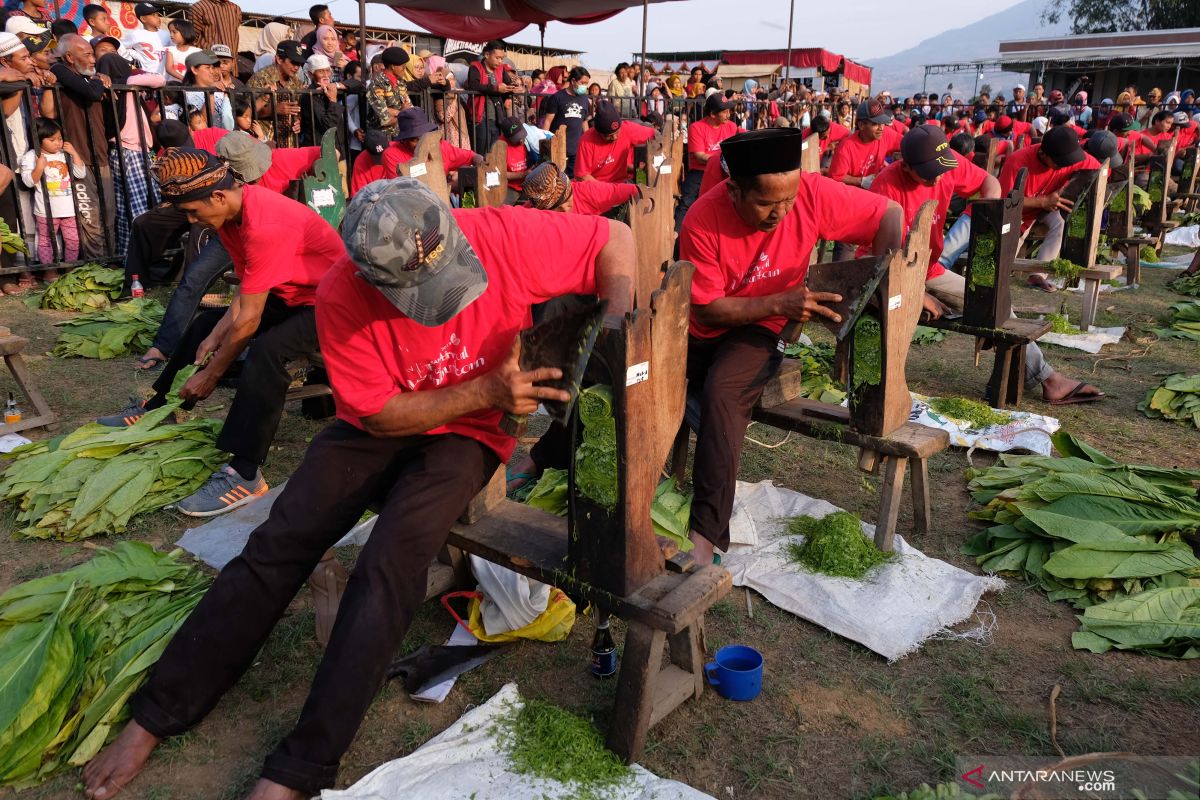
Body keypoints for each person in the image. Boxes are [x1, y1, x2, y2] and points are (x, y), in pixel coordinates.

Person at [82, 176, 636, 800]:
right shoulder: (342, 293)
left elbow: (613, 237)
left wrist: (610, 322)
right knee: (278, 543)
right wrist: (484, 389)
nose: (444, 304)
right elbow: (376, 416)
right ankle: (159, 713)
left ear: (452, 229)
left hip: (469, 434)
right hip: (384, 419)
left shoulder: (498, 232)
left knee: (388, 566)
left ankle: (301, 766)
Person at [678, 128, 901, 563]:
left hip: (762, 327)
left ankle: (704, 536)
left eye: (788, 200)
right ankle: (545, 459)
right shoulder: (701, 219)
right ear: (734, 189)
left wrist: (879, 275)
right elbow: (707, 311)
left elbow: (888, 213)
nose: (780, 212)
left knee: (724, 393)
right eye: (765, 203)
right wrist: (781, 298)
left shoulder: (813, 193)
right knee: (627, 369)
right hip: (709, 325)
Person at [93, 146, 343, 523]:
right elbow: (244, 295)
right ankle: (159, 407)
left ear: (218, 195)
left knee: (268, 352)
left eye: (194, 212)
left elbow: (250, 321)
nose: (193, 221)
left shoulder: (265, 224)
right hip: (293, 295)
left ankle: (245, 473)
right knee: (203, 326)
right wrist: (215, 336)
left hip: (333, 305)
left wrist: (211, 374)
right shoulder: (229, 221)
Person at [939, 125, 1100, 293]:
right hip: (999, 214)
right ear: (1043, 154)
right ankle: (933, 281)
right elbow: (1003, 203)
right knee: (957, 254)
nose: (1066, 165)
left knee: (1060, 221)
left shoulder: (1069, 158)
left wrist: (1071, 189)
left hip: (1038, 212)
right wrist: (1042, 202)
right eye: (1061, 162)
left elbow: (1097, 167)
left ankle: (1038, 274)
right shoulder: (1018, 160)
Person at [19, 117, 85, 264]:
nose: (58, 143)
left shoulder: (64, 154)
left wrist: (74, 153)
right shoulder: (31, 156)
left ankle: (69, 270)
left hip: (69, 210)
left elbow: (81, 174)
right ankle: (49, 271)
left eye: (60, 138)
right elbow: (28, 182)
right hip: (45, 210)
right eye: (52, 139)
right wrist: (39, 167)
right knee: (46, 242)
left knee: (73, 241)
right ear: (39, 139)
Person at [677, 93, 736, 227]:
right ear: (713, 114)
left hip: (724, 172)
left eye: (729, 110)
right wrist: (722, 159)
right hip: (700, 172)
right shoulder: (696, 127)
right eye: (725, 111)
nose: (729, 114)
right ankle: (677, 237)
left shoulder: (731, 126)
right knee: (687, 203)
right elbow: (700, 156)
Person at [380, 106, 482, 179]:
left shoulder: (441, 146)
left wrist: (482, 164)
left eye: (423, 137)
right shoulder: (392, 154)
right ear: (404, 140)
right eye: (414, 139)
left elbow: (471, 156)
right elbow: (400, 190)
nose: (420, 143)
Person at [827, 98, 902, 189]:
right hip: (854, 195)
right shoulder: (846, 147)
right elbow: (835, 177)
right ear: (861, 125)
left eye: (882, 123)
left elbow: (907, 144)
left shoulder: (885, 134)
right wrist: (860, 181)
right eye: (875, 124)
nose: (881, 128)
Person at [574, 101, 655, 183]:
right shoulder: (586, 141)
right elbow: (582, 176)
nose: (614, 137)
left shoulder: (626, 128)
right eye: (608, 136)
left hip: (622, 182)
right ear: (598, 133)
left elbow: (655, 136)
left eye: (617, 132)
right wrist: (609, 190)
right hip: (597, 186)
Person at [519, 161, 640, 216]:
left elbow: (620, 191)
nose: (566, 209)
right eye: (557, 208)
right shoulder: (528, 214)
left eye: (567, 200)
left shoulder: (587, 192)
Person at [248, 40, 307, 148]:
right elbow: (245, 113)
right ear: (279, 59)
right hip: (263, 144)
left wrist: (298, 122)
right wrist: (273, 110)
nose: (297, 67)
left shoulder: (297, 83)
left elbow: (299, 112)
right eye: (293, 62)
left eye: (299, 63)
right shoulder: (260, 79)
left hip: (289, 145)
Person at [467, 40, 519, 151]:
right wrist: (496, 88)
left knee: (495, 150)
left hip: (497, 116)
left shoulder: (501, 69)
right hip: (481, 117)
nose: (500, 61)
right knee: (481, 150)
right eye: (497, 58)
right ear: (487, 55)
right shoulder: (475, 67)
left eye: (502, 58)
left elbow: (508, 84)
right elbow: (473, 85)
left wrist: (510, 92)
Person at [540, 66, 592, 176]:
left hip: (577, 150)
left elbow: (584, 122)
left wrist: (587, 142)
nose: (585, 86)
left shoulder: (584, 99)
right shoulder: (557, 97)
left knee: (574, 181)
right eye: (582, 83)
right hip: (558, 149)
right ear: (573, 81)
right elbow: (548, 121)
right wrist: (544, 143)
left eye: (586, 83)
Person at [366, 46, 410, 138]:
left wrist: (394, 112)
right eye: (403, 66)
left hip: (399, 135)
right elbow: (384, 119)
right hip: (381, 138)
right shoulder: (377, 84)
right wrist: (402, 112)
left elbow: (409, 108)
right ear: (393, 66)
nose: (404, 69)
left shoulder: (400, 83)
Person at [123, 2, 167, 75]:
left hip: (168, 77)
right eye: (153, 15)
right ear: (143, 19)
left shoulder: (166, 34)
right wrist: (135, 55)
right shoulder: (135, 35)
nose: (157, 17)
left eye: (157, 14)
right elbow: (121, 47)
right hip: (149, 76)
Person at [347, 129, 390, 195]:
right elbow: (359, 196)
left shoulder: (398, 150)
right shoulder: (360, 162)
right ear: (368, 152)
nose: (383, 160)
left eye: (384, 154)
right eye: (378, 156)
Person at [498, 115, 530, 200]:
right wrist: (523, 175)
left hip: (528, 185)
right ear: (507, 137)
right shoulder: (500, 147)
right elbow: (500, 174)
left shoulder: (530, 139)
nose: (521, 140)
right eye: (517, 138)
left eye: (521, 135)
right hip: (509, 187)